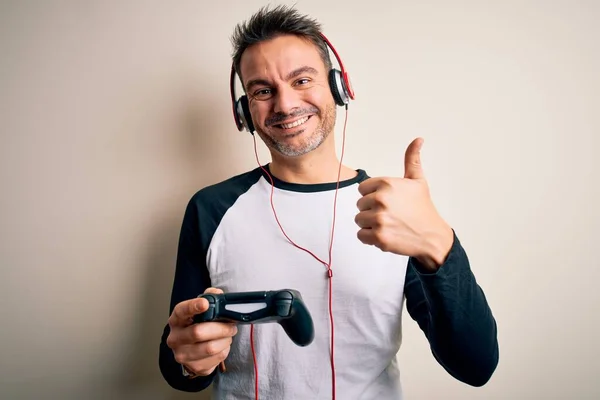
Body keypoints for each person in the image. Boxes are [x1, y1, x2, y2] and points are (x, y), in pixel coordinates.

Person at [158, 5, 499, 399]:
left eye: (301, 80)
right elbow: (178, 366)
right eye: (263, 91)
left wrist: (440, 243)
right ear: (244, 112)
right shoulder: (211, 208)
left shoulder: (392, 209)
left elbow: (475, 366)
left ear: (339, 87)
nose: (285, 105)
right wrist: (189, 359)